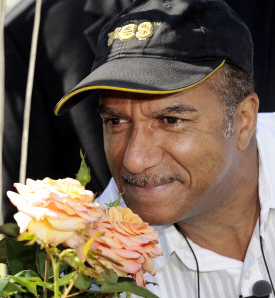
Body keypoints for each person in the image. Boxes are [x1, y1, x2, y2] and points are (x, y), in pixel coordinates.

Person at [54, 0, 275, 297]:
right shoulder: (94, 265)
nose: (134, 160)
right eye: (116, 121)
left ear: (244, 121)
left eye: (171, 120)